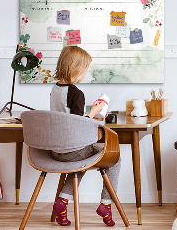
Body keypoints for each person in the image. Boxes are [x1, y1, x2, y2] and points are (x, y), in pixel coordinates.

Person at [50, 46, 120, 227]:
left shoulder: (55, 89)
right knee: (115, 158)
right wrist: (95, 112)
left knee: (80, 161)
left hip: (56, 150)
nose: (85, 73)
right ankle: (106, 204)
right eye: (85, 69)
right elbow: (78, 125)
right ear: (77, 69)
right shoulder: (76, 93)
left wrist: (89, 114)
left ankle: (62, 202)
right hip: (73, 150)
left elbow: (67, 118)